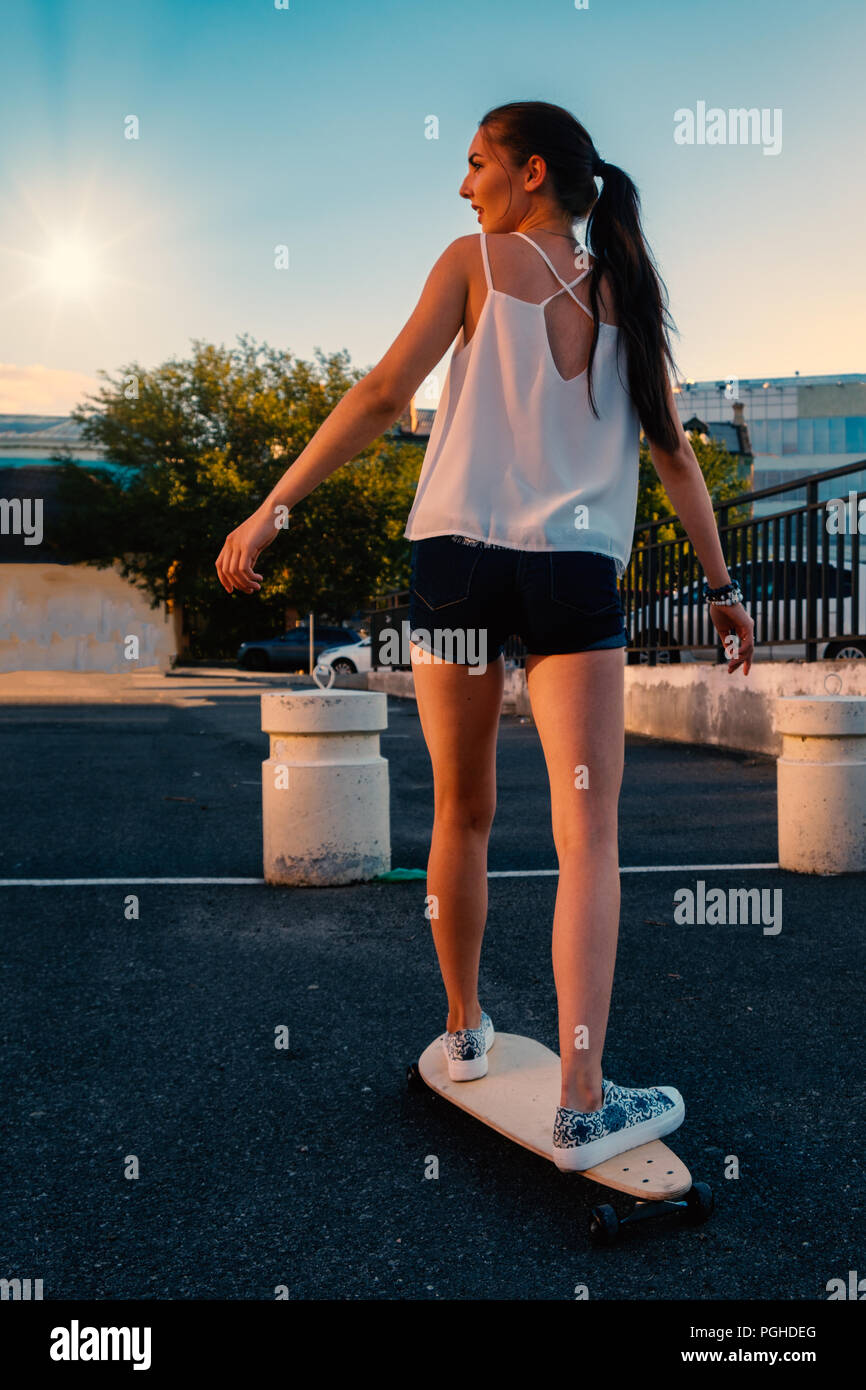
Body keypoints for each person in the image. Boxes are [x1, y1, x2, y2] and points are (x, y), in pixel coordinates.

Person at [215, 100, 755, 1172]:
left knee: (461, 810)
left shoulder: (470, 261)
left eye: (474, 164)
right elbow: (675, 461)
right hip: (571, 583)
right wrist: (720, 587)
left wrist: (271, 506)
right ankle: (582, 1096)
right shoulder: (627, 298)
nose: (463, 186)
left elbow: (380, 395)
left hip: (455, 565)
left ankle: (464, 1032)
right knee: (584, 835)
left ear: (530, 171)